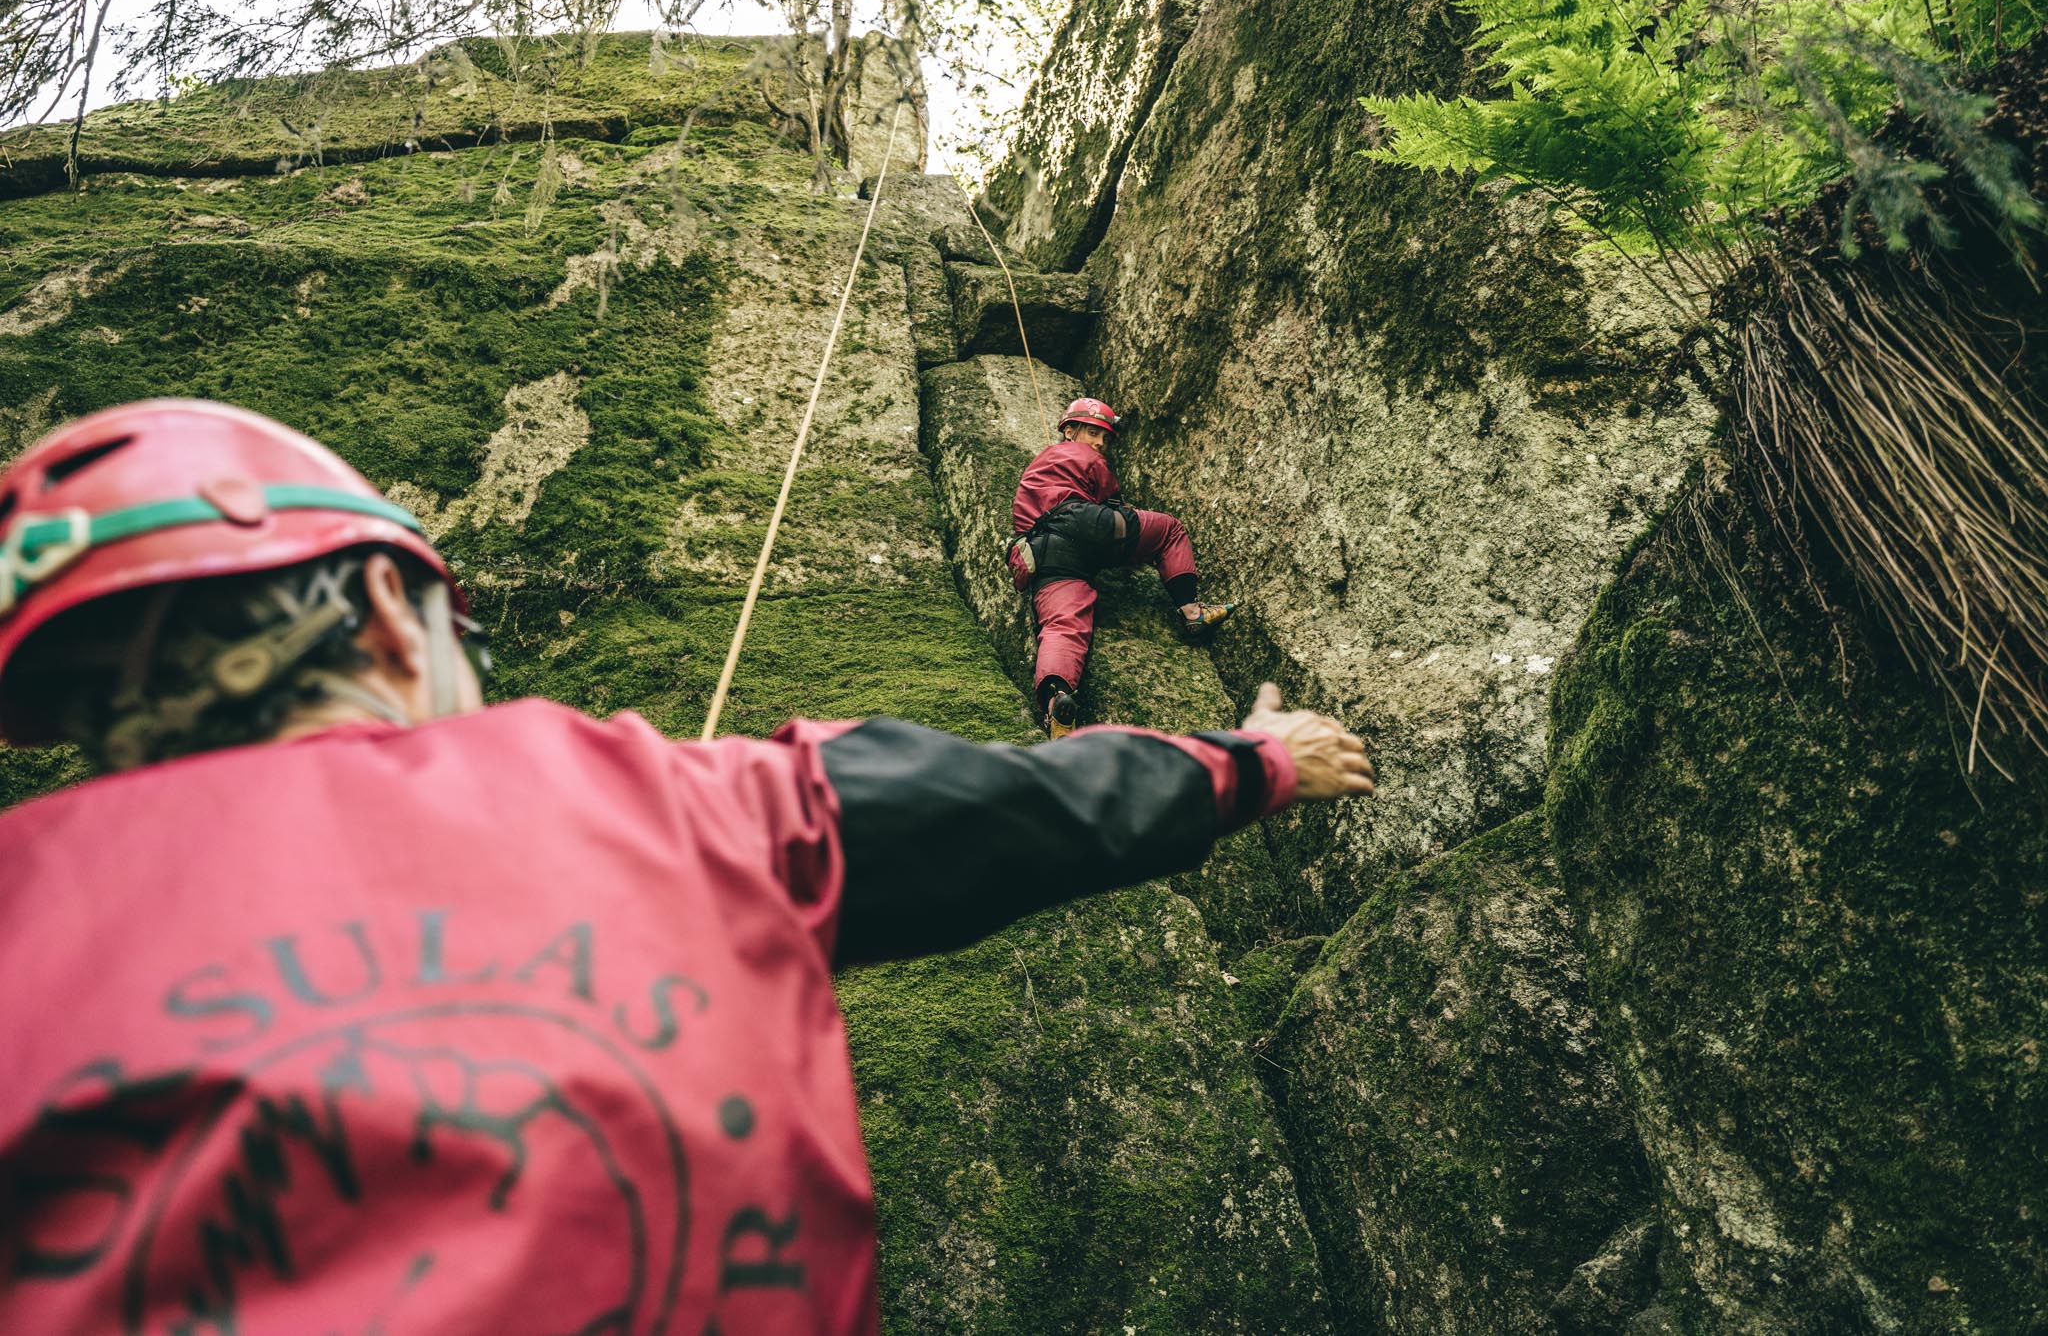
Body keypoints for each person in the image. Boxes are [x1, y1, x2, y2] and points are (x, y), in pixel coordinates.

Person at [0, 399, 1375, 1335]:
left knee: (1063, 623)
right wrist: (1255, 760)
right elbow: (1015, 808)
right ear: (378, 610)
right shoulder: (672, 804)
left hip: (1046, 564)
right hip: (1089, 581)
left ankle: (1065, 669)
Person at [1009, 396, 1232, 739]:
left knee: (1063, 626)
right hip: (1086, 523)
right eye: (1093, 432)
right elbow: (1107, 494)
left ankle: (1057, 701)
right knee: (1169, 530)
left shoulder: (1031, 478)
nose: (1100, 443)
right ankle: (1192, 612)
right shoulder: (1080, 455)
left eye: (1105, 438)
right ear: (1069, 429)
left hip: (1044, 554)